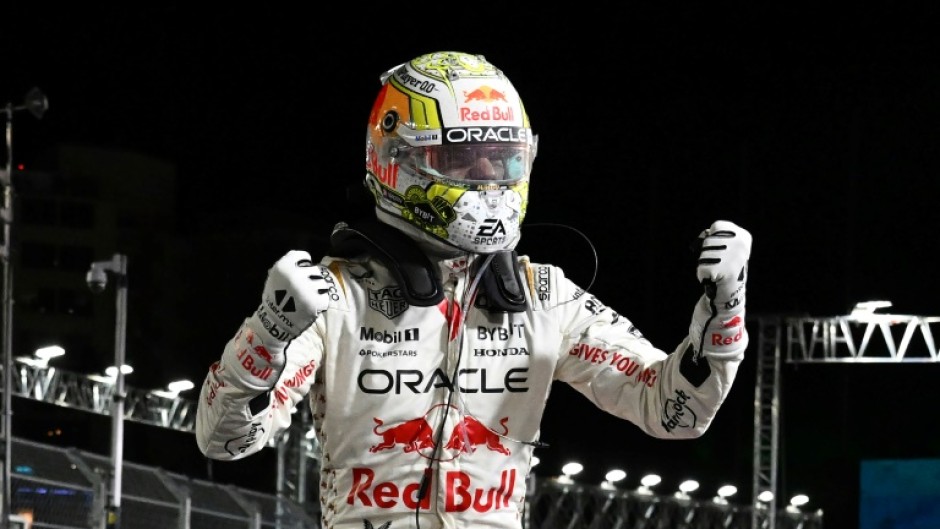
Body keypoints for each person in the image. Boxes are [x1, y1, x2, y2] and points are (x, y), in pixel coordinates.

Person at [195, 50, 752, 529]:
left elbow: (675, 413)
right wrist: (266, 336)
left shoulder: (545, 298)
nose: (488, 177)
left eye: (503, 157)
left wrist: (725, 306)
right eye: (460, 157)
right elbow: (226, 441)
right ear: (396, 161)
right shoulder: (334, 297)